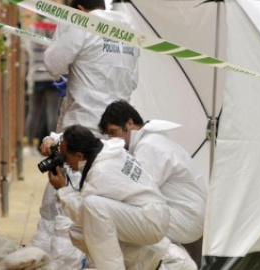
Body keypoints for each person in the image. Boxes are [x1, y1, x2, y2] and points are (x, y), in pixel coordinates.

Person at [99, 100, 208, 268]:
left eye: (114, 133)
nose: (114, 140)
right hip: (186, 215)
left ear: (130, 124)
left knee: (121, 217)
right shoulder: (152, 141)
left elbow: (134, 193)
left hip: (187, 218)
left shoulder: (150, 146)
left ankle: (178, 264)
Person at [47, 125, 170, 270]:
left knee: (92, 205)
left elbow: (82, 213)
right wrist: (53, 140)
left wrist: (63, 189)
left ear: (79, 156)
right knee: (79, 232)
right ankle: (146, 257)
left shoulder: (101, 171)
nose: (64, 162)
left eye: (65, 156)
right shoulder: (107, 150)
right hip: (150, 214)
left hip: (150, 221)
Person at [44, 0, 140, 136]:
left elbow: (53, 64)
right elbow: (132, 82)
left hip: (83, 128)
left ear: (79, 10)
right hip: (118, 129)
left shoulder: (83, 25)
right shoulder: (128, 32)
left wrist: (65, 27)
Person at [24, 14, 63, 148]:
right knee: (52, 112)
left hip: (36, 75)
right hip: (53, 77)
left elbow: (28, 50)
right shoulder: (58, 29)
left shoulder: (32, 29)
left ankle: (29, 144)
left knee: (34, 111)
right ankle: (54, 143)